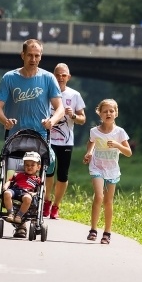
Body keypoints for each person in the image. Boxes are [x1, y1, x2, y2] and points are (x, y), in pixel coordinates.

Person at [0, 39, 64, 184]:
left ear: (41, 56)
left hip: (40, 136)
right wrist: (5, 120)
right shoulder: (9, 78)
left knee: (41, 176)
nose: (33, 59)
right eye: (30, 55)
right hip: (15, 137)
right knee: (11, 180)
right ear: (22, 55)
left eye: (37, 55)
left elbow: (60, 108)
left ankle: (39, 201)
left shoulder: (48, 78)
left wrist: (52, 121)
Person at [82, 99, 132, 245]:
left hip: (112, 170)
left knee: (108, 201)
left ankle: (107, 232)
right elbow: (91, 142)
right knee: (99, 196)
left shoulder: (120, 132)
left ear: (116, 113)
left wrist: (117, 145)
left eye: (111, 111)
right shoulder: (94, 131)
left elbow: (128, 152)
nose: (108, 113)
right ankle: (93, 229)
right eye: (105, 111)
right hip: (97, 166)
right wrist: (89, 153)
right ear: (100, 114)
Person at [43, 63, 86, 219]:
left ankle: (56, 206)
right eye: (57, 75)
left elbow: (83, 119)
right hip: (47, 140)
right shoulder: (46, 92)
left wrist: (73, 116)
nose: (60, 78)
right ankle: (46, 201)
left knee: (63, 175)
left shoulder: (74, 95)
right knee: (48, 173)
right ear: (53, 76)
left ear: (68, 77)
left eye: (63, 75)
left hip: (66, 142)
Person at [2, 151, 42, 238]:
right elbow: (10, 181)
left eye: (32, 165)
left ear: (38, 167)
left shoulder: (37, 179)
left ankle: (19, 216)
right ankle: (11, 214)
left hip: (27, 192)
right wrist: (5, 186)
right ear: (24, 166)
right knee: (7, 193)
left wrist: (35, 193)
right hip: (15, 190)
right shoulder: (18, 175)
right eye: (27, 165)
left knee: (28, 198)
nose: (29, 167)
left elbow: (41, 190)